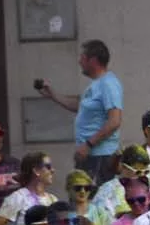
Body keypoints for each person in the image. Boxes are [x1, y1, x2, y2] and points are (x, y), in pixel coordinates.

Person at [36, 40, 122, 181]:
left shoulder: (108, 84)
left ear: (93, 60)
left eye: (82, 57)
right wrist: (53, 95)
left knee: (93, 199)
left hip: (100, 157)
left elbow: (114, 121)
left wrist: (88, 145)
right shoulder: (97, 84)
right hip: (90, 156)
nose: (79, 62)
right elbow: (80, 106)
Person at [0, 153, 57, 225]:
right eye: (48, 167)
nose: (53, 170)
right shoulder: (18, 198)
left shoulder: (53, 200)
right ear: (36, 171)